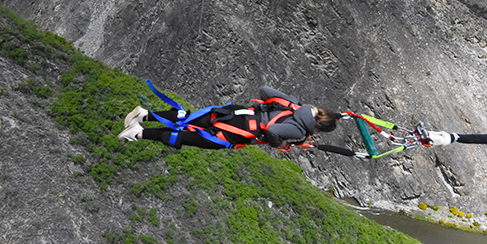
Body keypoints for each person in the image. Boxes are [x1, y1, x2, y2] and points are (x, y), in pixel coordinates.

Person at [119, 85, 340, 150]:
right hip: (233, 133)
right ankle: (138, 132)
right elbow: (273, 132)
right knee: (186, 138)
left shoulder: (294, 104)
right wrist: (280, 144)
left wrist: (270, 107)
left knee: (188, 117)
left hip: (234, 113)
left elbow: (264, 91)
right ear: (318, 128)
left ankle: (145, 115)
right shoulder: (300, 131)